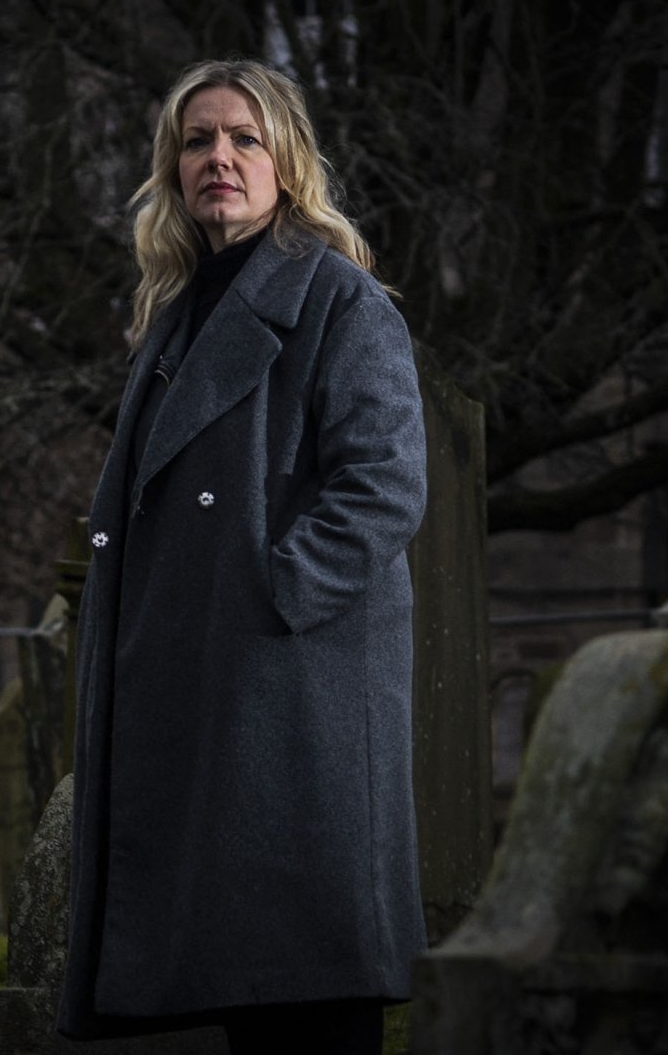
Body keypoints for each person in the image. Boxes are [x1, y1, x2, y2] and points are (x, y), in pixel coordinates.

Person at [57, 58, 428, 1054]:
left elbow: (384, 485)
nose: (218, 157)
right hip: (200, 691)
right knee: (233, 983)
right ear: (172, 169)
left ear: (285, 161)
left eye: (243, 138)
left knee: (301, 986)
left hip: (286, 697)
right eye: (196, 140)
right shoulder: (173, 313)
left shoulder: (340, 303)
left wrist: (270, 595)